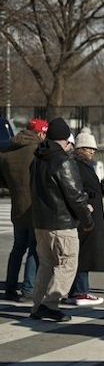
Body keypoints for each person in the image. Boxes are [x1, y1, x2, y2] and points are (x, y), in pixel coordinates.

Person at [28, 118, 92, 322]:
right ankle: (50, 303)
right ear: (65, 140)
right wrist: (87, 219)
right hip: (62, 223)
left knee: (46, 264)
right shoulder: (63, 161)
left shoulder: (38, 158)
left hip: (41, 222)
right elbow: (75, 195)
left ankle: (38, 305)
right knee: (67, 263)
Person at [2, 118, 47, 302]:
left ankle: (10, 287)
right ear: (40, 133)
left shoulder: (8, 151)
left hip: (17, 206)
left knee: (18, 247)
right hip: (35, 206)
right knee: (35, 249)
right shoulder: (38, 151)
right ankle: (28, 288)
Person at [67, 128, 104, 307]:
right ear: (80, 149)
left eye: (93, 149)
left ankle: (78, 290)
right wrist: (88, 194)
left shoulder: (84, 166)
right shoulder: (77, 166)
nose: (92, 151)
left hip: (90, 214)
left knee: (84, 253)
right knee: (83, 254)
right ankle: (80, 291)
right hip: (85, 215)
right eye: (88, 148)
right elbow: (76, 189)